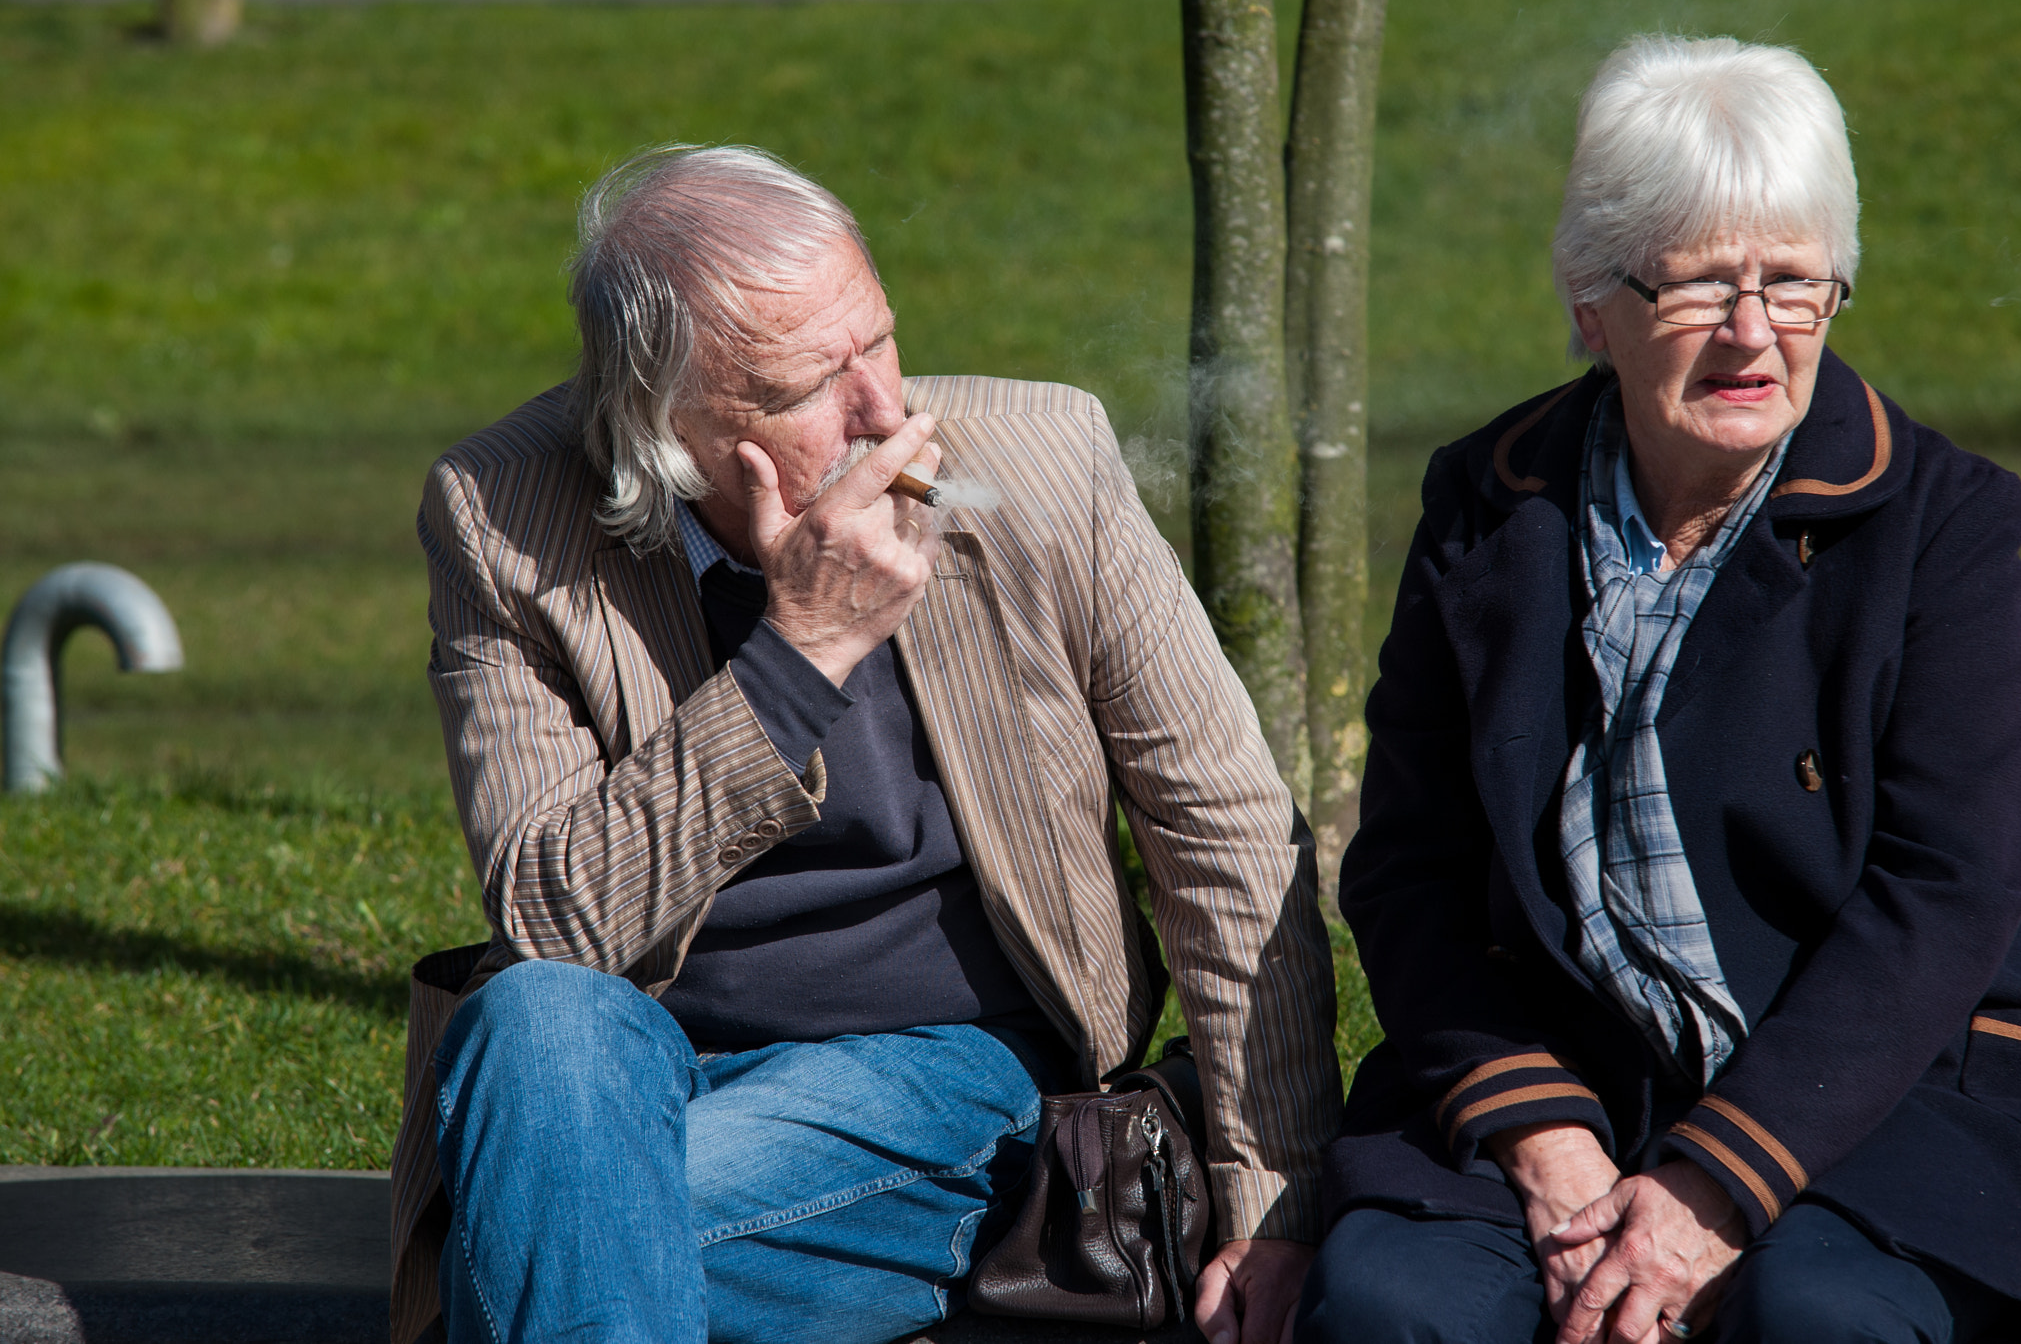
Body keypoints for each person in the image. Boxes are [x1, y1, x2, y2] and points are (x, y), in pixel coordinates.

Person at [383, 143, 1341, 1344]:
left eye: (877, 340)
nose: (884, 412)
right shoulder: (501, 513)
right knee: (532, 1018)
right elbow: (552, 918)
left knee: (545, 1227)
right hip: (630, 1064)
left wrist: (1276, 1194)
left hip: (950, 1068)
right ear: (663, 422)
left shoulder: (1046, 466)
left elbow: (1227, 831)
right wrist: (798, 658)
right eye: (806, 387)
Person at [1298, 35, 2021, 1344]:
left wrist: (1716, 1181)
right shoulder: (1489, 506)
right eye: (1703, 287)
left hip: (1870, 1088)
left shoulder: (1943, 523)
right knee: (1388, 1304)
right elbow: (1409, 869)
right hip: (1566, 1074)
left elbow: (1949, 894)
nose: (1755, 333)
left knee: (1822, 1313)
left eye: (1796, 283)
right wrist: (1542, 1136)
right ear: (1595, 304)